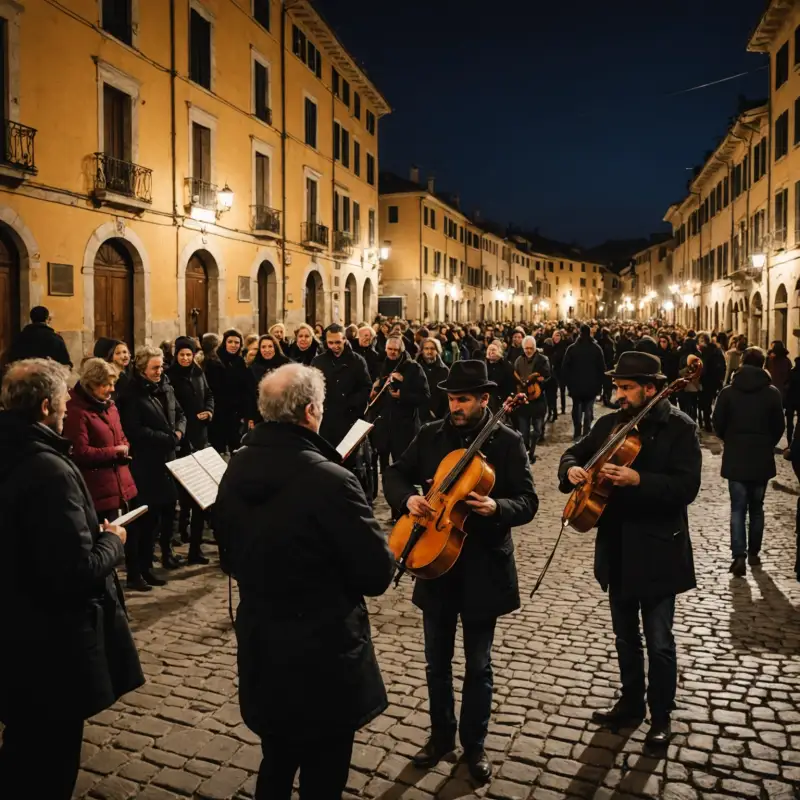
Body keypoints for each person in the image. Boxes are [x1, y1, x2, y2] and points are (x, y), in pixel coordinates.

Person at [214, 363, 395, 800]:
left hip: (263, 638)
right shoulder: (331, 479)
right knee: (324, 772)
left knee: (276, 761)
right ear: (313, 411)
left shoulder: (235, 468)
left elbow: (230, 555)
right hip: (324, 650)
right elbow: (376, 574)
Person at [383, 360, 538, 783]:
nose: (455, 406)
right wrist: (406, 501)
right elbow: (396, 473)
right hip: (436, 563)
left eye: (464, 399)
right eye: (452, 398)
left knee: (478, 664)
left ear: (484, 399)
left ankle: (475, 745)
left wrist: (496, 507)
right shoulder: (432, 435)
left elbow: (528, 501)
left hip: (483, 566)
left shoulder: (506, 442)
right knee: (436, 662)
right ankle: (440, 736)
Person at [0, 358, 143, 798]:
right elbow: (74, 570)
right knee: (50, 760)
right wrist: (113, 541)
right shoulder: (50, 470)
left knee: (21, 746)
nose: (67, 405)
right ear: (45, 407)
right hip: (51, 644)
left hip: (13, 628)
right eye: (63, 398)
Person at [558, 352, 701, 748]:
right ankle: (631, 703)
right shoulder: (610, 424)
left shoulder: (680, 428)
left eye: (625, 388)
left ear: (650, 389)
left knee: (659, 641)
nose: (617, 394)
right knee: (625, 637)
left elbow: (686, 487)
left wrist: (640, 479)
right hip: (617, 547)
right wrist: (570, 469)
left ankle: (661, 715)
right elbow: (574, 452)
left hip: (658, 550)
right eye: (617, 387)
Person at [62, 358, 144, 589]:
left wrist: (124, 447)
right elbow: (80, 451)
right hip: (98, 484)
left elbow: (121, 435)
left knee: (131, 531)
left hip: (122, 479)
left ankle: (135, 575)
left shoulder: (110, 405)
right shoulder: (77, 411)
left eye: (112, 384)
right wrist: (113, 452)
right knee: (104, 537)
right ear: (91, 384)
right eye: (105, 385)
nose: (111, 389)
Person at [712, 346, 784, 576]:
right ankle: (754, 552)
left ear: (742, 363)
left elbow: (718, 423)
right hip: (761, 458)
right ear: (763, 364)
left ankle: (738, 555)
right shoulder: (772, 393)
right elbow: (778, 427)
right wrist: (766, 443)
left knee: (737, 509)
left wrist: (730, 440)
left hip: (736, 457)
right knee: (757, 507)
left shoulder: (728, 392)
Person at [119, 345, 186, 573]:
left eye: (161, 366)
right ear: (142, 369)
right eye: (155, 368)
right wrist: (166, 438)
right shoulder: (132, 394)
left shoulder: (165, 386)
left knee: (168, 510)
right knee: (148, 520)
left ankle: (163, 556)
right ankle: (142, 569)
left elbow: (180, 413)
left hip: (169, 458)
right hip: (148, 464)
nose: (160, 371)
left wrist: (178, 432)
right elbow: (135, 430)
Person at [167, 336, 215, 564]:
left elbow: (209, 395)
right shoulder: (171, 377)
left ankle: (196, 547)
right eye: (182, 354)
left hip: (201, 438)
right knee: (186, 497)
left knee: (200, 499)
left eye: (189, 354)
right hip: (184, 441)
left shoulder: (198, 372)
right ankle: (182, 535)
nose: (186, 358)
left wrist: (209, 411)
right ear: (176, 355)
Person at [370, 334, 430, 480]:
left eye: (396, 350)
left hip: (404, 424)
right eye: (389, 349)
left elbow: (425, 395)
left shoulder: (413, 367)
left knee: (403, 465)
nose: (392, 352)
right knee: (383, 466)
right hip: (384, 423)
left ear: (401, 350)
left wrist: (402, 394)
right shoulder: (381, 365)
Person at [562, 323, 606, 440]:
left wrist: (569, 384)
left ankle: (577, 432)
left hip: (576, 386)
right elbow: (602, 368)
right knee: (588, 410)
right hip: (592, 386)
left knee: (577, 409)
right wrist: (600, 385)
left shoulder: (572, 349)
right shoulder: (596, 349)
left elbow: (565, 368)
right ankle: (586, 433)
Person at [512, 335, 551, 462]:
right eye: (526, 348)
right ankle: (527, 454)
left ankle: (532, 449)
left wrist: (539, 383)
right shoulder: (518, 360)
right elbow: (515, 376)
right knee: (524, 431)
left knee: (537, 430)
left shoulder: (543, 359)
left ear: (535, 348)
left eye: (531, 348)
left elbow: (548, 377)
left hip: (538, 400)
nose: (528, 350)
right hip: (523, 400)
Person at [5, 305, 72, 367]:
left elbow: (11, 360)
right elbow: (65, 364)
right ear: (47, 319)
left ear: (31, 318)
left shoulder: (19, 338)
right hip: (48, 377)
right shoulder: (55, 339)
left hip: (24, 377)